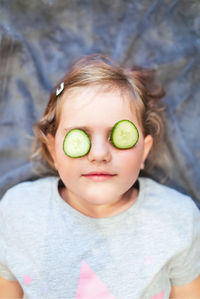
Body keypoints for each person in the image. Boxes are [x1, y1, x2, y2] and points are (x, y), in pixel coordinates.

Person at [0, 54, 200, 299]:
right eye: (79, 137)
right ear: (53, 150)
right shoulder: (17, 211)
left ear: (144, 150)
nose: (99, 154)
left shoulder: (178, 218)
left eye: (119, 135)